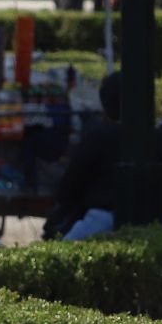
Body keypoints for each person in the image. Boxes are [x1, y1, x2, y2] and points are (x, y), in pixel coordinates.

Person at [47, 73, 122, 239]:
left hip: (102, 217)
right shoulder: (160, 134)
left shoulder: (99, 136)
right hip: (158, 220)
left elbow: (70, 184)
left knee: (59, 259)